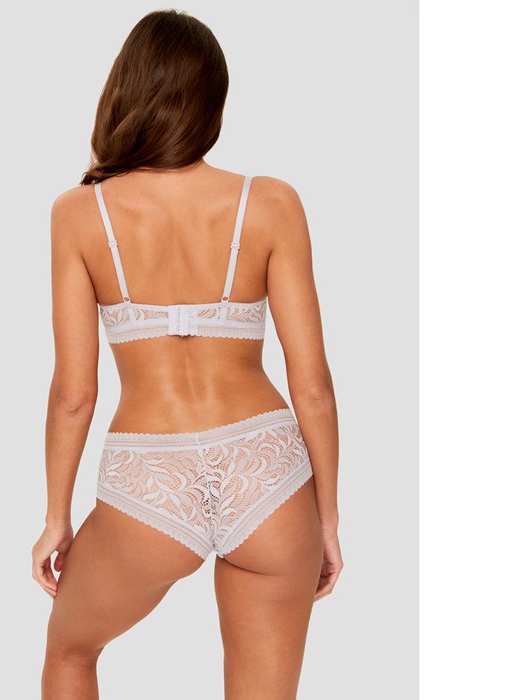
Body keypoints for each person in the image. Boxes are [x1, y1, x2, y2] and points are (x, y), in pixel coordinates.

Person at [32, 9, 342, 699]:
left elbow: (74, 393)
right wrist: (325, 517)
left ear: (124, 91)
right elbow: (313, 384)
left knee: (69, 652)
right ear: (213, 103)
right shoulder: (271, 202)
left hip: (151, 475)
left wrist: (57, 517)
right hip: (267, 470)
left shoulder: (79, 214)